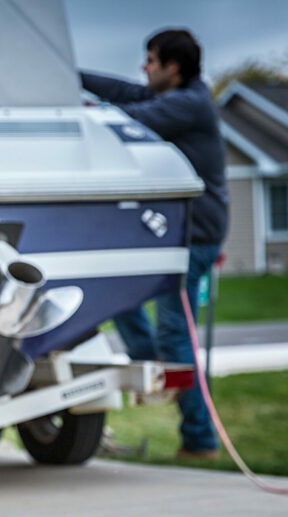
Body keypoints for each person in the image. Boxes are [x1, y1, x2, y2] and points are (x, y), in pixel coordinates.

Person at [81, 28, 229, 459]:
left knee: (175, 333)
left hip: (192, 237)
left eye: (151, 60)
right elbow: (122, 90)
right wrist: (67, 75)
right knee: (118, 297)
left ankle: (200, 441)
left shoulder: (189, 104)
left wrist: (83, 109)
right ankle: (157, 367)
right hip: (166, 234)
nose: (143, 67)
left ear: (173, 67)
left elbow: (127, 116)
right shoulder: (176, 95)